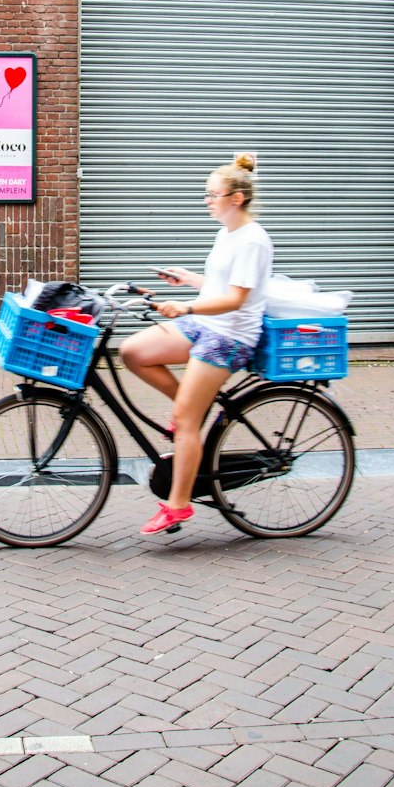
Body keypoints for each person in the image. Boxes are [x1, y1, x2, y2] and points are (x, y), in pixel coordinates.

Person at [121, 152, 273, 536]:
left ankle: (178, 505)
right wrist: (187, 279)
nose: (207, 200)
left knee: (187, 421)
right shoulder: (227, 232)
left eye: (213, 194)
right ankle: (191, 412)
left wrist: (186, 306)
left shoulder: (253, 240)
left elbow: (236, 299)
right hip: (205, 322)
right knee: (133, 352)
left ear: (236, 198)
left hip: (230, 335)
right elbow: (219, 286)